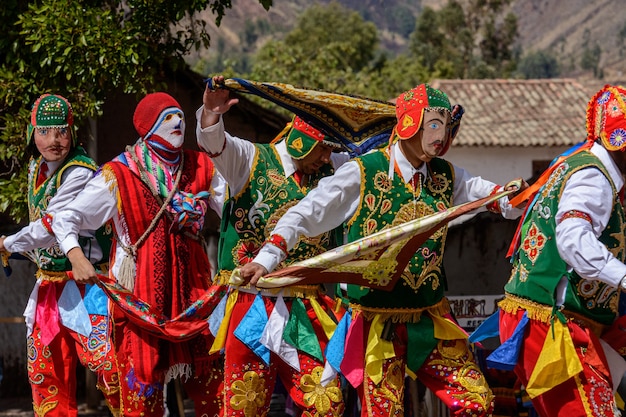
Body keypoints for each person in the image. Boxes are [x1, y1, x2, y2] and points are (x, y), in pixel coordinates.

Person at [240, 84, 527, 416]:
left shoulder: (447, 176)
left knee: (478, 401)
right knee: (383, 412)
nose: (441, 135)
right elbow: (306, 213)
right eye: (434, 124)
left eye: (445, 127)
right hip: (377, 323)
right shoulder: (364, 171)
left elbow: (489, 196)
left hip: (429, 319)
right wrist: (267, 257)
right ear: (409, 124)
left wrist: (517, 196)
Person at [50, 92, 227, 417]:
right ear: (148, 127)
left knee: (216, 391)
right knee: (140, 394)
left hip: (195, 299)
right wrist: (76, 256)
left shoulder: (201, 165)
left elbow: (234, 205)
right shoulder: (119, 174)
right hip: (141, 304)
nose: (178, 123)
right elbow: (65, 217)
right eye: (167, 118)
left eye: (180, 117)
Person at [198, 75, 350, 417]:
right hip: (252, 306)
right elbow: (215, 143)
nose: (327, 158)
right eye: (324, 147)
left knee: (326, 405)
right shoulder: (249, 160)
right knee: (243, 405)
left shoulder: (333, 169)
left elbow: (374, 166)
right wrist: (209, 115)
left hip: (307, 306)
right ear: (302, 140)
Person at [491, 84, 626, 417]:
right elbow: (573, 241)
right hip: (553, 325)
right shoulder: (593, 177)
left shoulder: (579, 164)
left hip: (564, 318)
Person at [0, 94, 119, 416]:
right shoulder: (35, 169)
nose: (54, 140)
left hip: (89, 283)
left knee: (111, 369)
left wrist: (8, 244)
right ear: (32, 134)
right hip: (49, 285)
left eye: (62, 131)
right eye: (44, 131)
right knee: (45, 371)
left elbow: (48, 226)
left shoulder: (79, 172)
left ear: (73, 132)